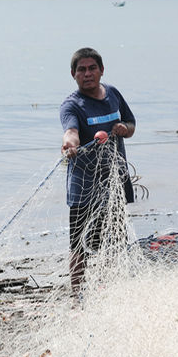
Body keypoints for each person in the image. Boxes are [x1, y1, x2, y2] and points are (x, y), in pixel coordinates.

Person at [59, 47, 135, 298]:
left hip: (114, 179)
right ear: (73, 74)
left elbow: (132, 124)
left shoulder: (113, 94)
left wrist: (123, 128)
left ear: (102, 70)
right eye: (81, 69)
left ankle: (111, 288)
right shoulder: (72, 105)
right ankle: (77, 296)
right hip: (84, 185)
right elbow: (70, 131)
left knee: (114, 237)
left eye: (92, 68)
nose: (87, 73)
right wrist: (70, 143)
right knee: (79, 244)